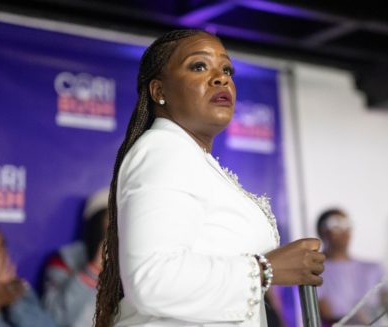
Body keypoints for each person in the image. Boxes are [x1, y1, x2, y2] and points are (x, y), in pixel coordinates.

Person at [94, 29, 325, 327]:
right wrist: (264, 270)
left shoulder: (192, 159)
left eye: (227, 69)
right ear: (159, 91)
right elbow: (153, 279)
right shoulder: (164, 149)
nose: (221, 78)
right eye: (199, 66)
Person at [316, 208, 388, 326]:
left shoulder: (373, 269)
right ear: (322, 231)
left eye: (346, 224)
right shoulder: (315, 271)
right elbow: (324, 315)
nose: (343, 230)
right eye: (336, 225)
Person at [42, 188, 109, 327]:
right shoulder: (64, 259)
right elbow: (54, 317)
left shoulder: (139, 261)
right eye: (111, 218)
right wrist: (93, 269)